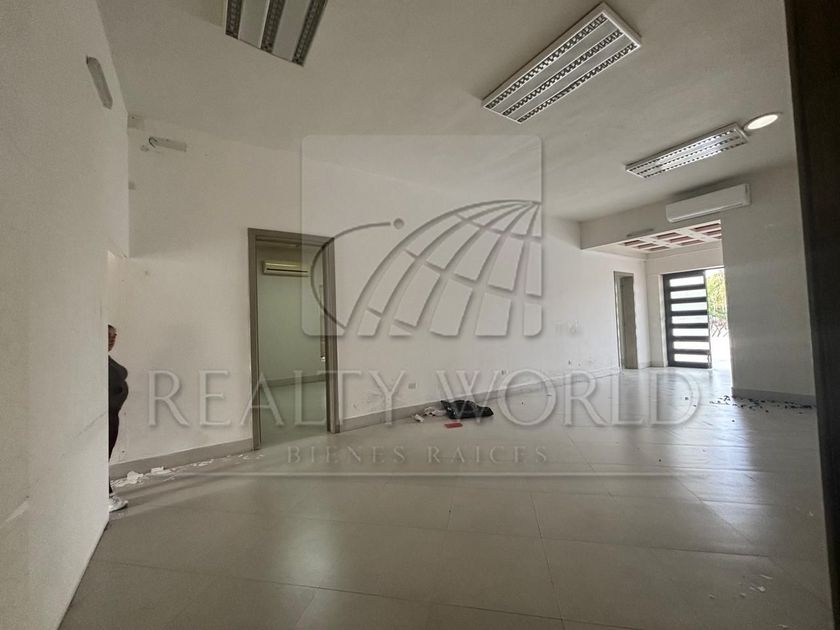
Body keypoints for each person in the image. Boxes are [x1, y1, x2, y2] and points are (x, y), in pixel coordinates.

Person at [108, 325, 129, 512]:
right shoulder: (94, 358)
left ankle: (106, 494)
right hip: (105, 416)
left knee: (104, 455)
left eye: (114, 336)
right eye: (108, 336)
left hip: (112, 414)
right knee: (101, 456)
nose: (112, 339)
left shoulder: (106, 358)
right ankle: (105, 497)